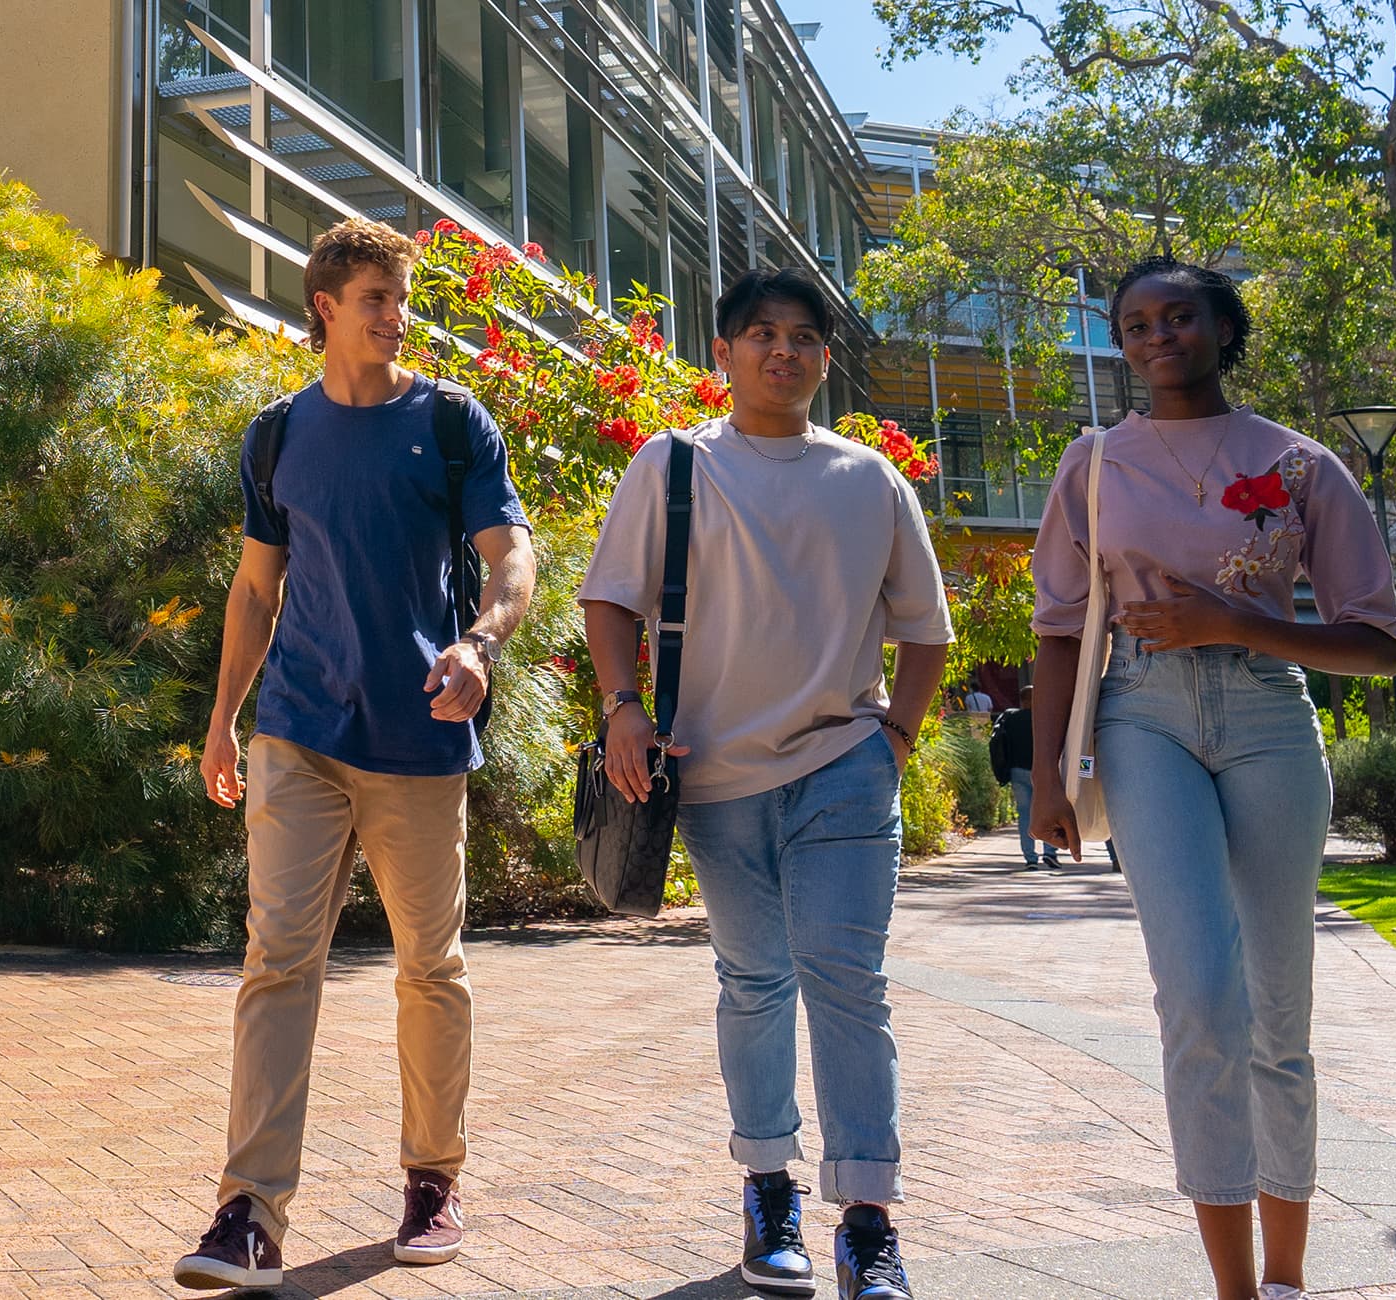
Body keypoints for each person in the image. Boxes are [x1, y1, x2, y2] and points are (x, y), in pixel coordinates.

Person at [1026, 257, 1396, 1300]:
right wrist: (1049, 779)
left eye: (1178, 317)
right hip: (1140, 715)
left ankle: (1285, 1281)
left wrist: (1237, 621)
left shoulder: (1299, 465)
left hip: (1269, 715)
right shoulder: (1093, 463)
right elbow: (1059, 629)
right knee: (1198, 997)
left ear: (1222, 328)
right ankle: (1233, 1291)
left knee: (1280, 1013)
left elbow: (1376, 643)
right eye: (1135, 323)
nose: (1156, 336)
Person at [177, 217, 538, 1290]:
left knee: (431, 966)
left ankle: (433, 1175)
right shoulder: (278, 435)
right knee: (277, 961)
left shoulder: (450, 422)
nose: (397, 313)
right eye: (377, 295)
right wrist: (222, 717)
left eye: (404, 295)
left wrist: (482, 641)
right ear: (326, 307)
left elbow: (511, 550)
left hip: (418, 734)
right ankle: (249, 1211)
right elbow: (255, 587)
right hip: (299, 729)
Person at [585, 267, 950, 1300]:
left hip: (844, 765)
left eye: (800, 338)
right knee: (753, 982)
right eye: (760, 335)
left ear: (823, 362)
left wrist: (898, 738)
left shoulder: (871, 478)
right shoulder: (673, 464)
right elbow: (610, 602)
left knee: (847, 981)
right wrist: (623, 706)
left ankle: (869, 1223)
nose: (780, 352)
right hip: (711, 779)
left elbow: (924, 628)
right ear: (725, 355)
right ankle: (769, 1188)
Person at [991, 706, 1054, 868]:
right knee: (1046, 811)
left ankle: (1030, 858)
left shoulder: (1011, 719)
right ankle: (1050, 850)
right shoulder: (1044, 718)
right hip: (1041, 770)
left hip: (1017, 770)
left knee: (1025, 814)